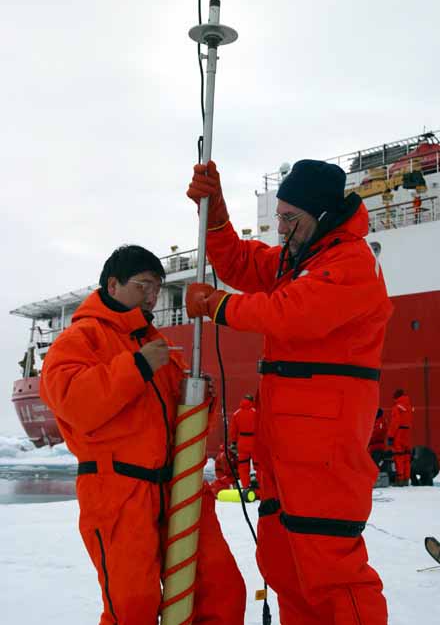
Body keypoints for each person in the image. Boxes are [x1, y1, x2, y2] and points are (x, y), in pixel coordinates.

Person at [185, 159, 393, 624]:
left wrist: (217, 306)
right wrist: (215, 213)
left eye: (288, 218)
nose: (279, 228)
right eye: (277, 216)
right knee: (284, 565)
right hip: (287, 449)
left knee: (331, 571)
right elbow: (239, 262)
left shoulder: (350, 262)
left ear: (320, 215)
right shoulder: (301, 258)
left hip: (324, 448)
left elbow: (289, 314)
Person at [40, 244, 246, 625]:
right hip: (119, 493)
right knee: (133, 604)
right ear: (113, 285)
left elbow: (186, 427)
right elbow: (74, 403)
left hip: (177, 488)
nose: (153, 297)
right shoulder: (80, 340)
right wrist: (136, 366)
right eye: (145, 286)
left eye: (157, 288)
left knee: (220, 587)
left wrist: (200, 399)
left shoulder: (159, 346)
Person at [229, 394, 258, 489]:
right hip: (254, 442)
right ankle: (260, 486)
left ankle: (246, 486)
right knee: (259, 465)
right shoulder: (256, 412)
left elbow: (233, 431)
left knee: (243, 465)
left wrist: (233, 442)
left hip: (242, 442)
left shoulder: (236, 414)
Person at [387, 389, 413, 487]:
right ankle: (406, 479)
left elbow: (395, 423)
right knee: (407, 455)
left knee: (398, 456)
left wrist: (390, 436)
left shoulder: (397, 407)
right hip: (407, 432)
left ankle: (400, 480)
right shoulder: (409, 406)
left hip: (399, 433)